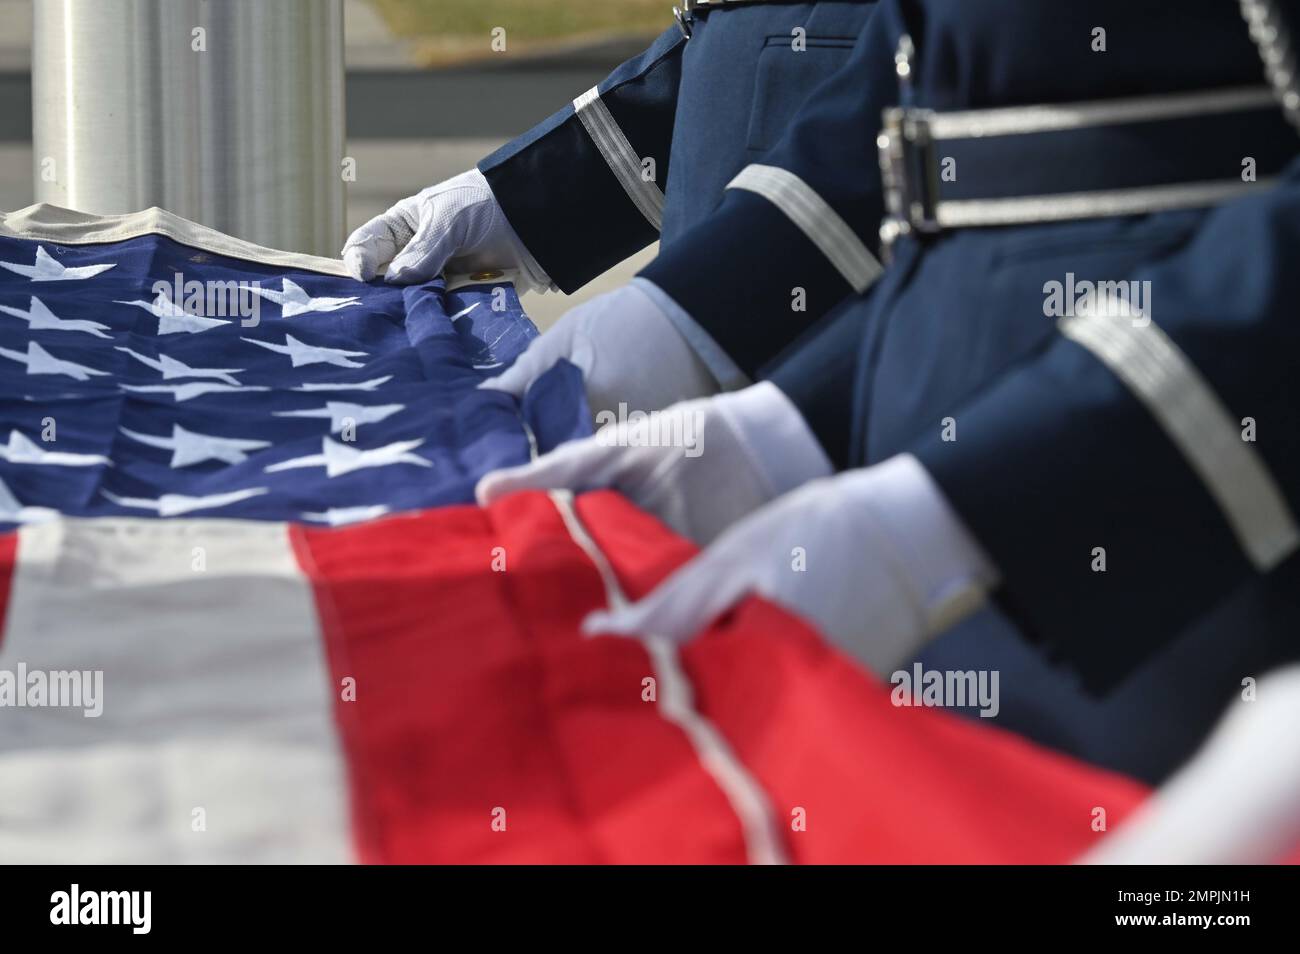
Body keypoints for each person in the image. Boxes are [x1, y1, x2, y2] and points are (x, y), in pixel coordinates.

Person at [481, 0, 1300, 782]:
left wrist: (975, 503)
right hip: (943, 422)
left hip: (1162, 507)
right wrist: (783, 415)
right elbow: (920, 89)